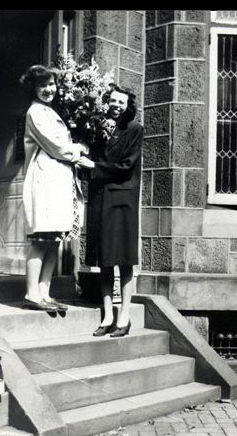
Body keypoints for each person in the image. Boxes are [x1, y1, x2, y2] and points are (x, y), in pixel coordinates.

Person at [19, 65, 88, 312]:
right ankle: (31, 293)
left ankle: (44, 293)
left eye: (51, 84)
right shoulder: (35, 113)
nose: (49, 89)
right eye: (42, 85)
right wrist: (79, 149)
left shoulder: (50, 112)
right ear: (33, 88)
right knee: (41, 239)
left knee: (53, 240)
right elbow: (57, 147)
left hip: (57, 182)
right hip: (44, 181)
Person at [76, 85, 143, 338]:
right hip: (100, 199)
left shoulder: (134, 129)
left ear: (128, 106)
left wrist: (93, 165)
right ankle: (107, 316)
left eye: (121, 102)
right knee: (104, 261)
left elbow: (126, 166)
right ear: (107, 102)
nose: (116, 105)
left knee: (124, 261)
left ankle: (124, 317)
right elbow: (89, 162)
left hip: (122, 201)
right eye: (113, 100)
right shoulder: (97, 128)